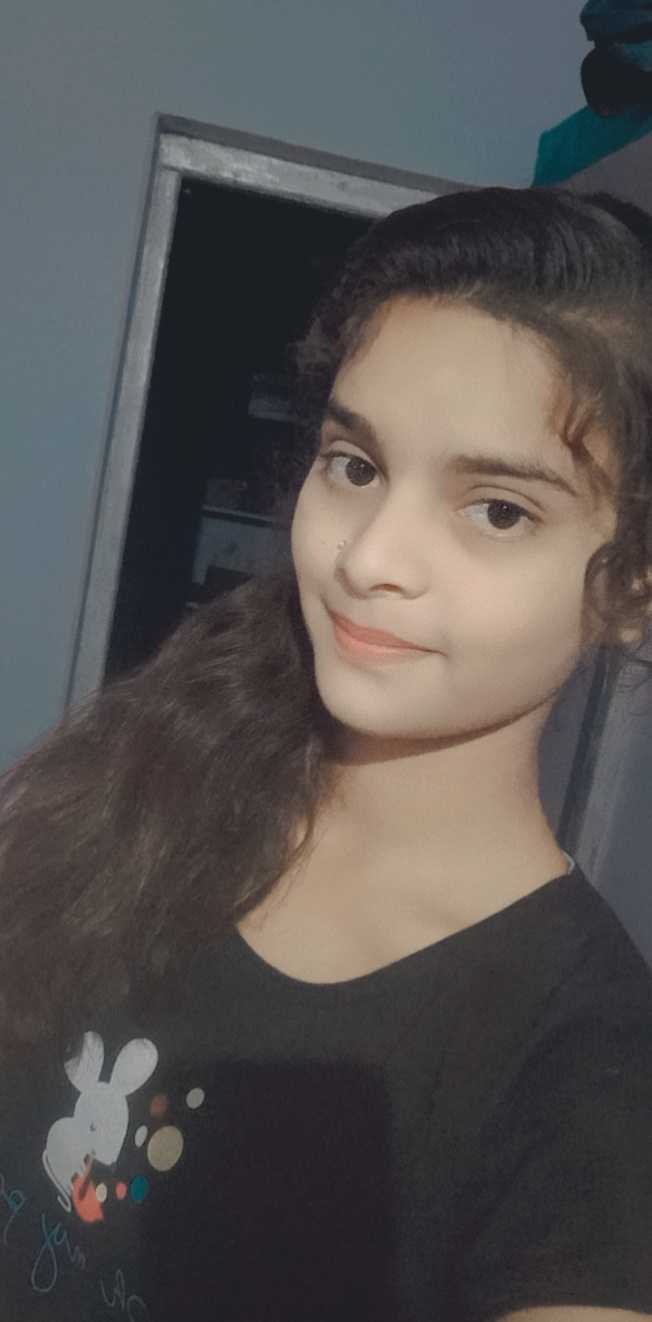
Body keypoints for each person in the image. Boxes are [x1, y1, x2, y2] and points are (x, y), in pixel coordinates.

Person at [1, 185, 652, 1322]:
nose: (369, 557)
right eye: (355, 464)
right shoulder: (157, 768)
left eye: (498, 509)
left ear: (632, 588)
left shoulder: (587, 1065)